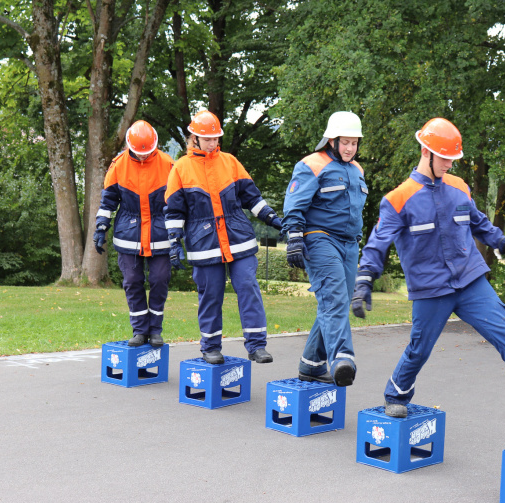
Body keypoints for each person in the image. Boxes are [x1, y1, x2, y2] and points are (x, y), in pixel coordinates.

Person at [351, 117, 505, 442]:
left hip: (470, 282)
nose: (450, 163)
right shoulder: (398, 198)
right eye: (446, 158)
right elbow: (377, 243)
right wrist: (364, 279)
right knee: (419, 350)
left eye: (453, 158)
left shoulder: (459, 187)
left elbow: (481, 225)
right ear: (426, 151)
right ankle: (396, 394)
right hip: (431, 289)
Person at [164, 110, 283, 365]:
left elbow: (252, 198)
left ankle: (256, 346)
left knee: (248, 287)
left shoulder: (230, 162)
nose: (213, 143)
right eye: (207, 139)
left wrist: (273, 220)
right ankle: (210, 347)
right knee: (211, 294)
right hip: (204, 245)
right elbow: (174, 211)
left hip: (238, 239)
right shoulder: (181, 168)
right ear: (194, 138)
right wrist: (173, 242)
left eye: (216, 139)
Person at [282, 111, 368, 387]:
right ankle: (343, 358)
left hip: (349, 243)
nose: (349, 148)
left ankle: (311, 365)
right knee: (335, 299)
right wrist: (294, 236)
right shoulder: (312, 165)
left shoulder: (357, 170)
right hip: (319, 238)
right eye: (345, 142)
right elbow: (294, 204)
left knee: (336, 302)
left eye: (354, 143)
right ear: (331, 140)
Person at [93, 120, 175, 348]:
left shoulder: (169, 164)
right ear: (129, 146)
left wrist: (179, 236)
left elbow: (178, 202)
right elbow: (108, 201)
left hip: (160, 234)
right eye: (138, 153)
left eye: (146, 153)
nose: (141, 157)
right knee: (132, 281)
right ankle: (140, 330)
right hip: (129, 234)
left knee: (160, 280)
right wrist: (101, 227)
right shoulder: (118, 165)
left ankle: (155, 330)